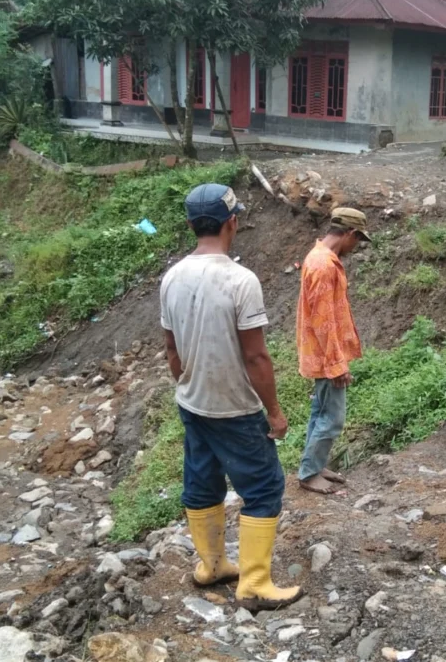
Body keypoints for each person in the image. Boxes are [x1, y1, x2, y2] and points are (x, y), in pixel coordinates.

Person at [159, 182, 302, 611]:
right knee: (263, 487)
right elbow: (256, 356)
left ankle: (213, 565)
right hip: (236, 409)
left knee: (202, 482)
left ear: (190, 225)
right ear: (232, 222)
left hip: (192, 402)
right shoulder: (240, 280)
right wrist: (275, 412)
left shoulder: (171, 277)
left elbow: (172, 351)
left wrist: (188, 384)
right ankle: (255, 584)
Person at [295, 208, 370, 495]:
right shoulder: (324, 266)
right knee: (333, 417)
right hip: (326, 356)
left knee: (321, 411)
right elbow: (323, 322)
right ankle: (309, 473)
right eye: (358, 240)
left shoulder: (318, 258)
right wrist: (337, 364)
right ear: (350, 234)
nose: (356, 247)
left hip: (321, 353)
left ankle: (314, 464)